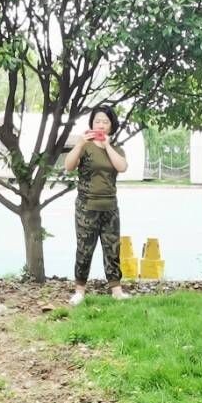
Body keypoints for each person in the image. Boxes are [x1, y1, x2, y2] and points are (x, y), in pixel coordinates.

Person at [63, 104, 130, 305]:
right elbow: (68, 166)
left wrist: (107, 145)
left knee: (112, 249)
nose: (100, 125)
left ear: (111, 125)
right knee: (84, 249)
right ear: (92, 123)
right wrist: (80, 144)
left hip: (110, 208)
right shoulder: (85, 146)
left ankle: (116, 290)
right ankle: (80, 291)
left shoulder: (116, 149)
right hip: (87, 207)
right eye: (97, 121)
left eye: (105, 121)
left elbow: (122, 167)